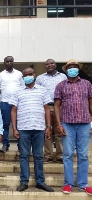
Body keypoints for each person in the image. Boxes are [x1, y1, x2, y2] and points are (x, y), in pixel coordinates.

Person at [10, 67, 54, 192]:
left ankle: (40, 181)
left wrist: (48, 127)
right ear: (23, 77)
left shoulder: (42, 90)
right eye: (25, 75)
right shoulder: (18, 91)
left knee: (39, 156)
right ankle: (24, 181)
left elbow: (47, 109)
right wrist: (14, 128)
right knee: (24, 156)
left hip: (39, 128)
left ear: (34, 75)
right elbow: (13, 110)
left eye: (30, 74)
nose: (28, 76)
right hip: (23, 129)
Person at [54, 59, 92, 195]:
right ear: (66, 70)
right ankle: (68, 183)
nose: (73, 68)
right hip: (67, 124)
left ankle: (83, 184)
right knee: (68, 154)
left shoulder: (87, 84)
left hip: (85, 123)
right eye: (70, 67)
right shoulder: (61, 85)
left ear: (78, 69)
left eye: (75, 66)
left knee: (83, 155)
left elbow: (91, 104)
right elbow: (57, 107)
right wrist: (59, 124)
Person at [36, 59, 67, 163]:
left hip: (60, 106)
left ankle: (60, 155)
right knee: (47, 131)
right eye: (47, 64)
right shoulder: (40, 78)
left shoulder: (63, 77)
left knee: (60, 131)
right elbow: (37, 92)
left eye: (51, 63)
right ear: (45, 66)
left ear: (55, 65)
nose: (49, 65)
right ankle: (48, 155)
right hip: (46, 107)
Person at [0, 56, 23, 153]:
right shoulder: (0, 75)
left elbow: (23, 87)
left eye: (11, 61)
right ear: (4, 63)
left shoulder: (19, 74)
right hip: (5, 103)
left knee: (19, 124)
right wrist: (2, 101)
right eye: (7, 61)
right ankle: (5, 145)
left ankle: (20, 145)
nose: (9, 63)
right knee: (5, 125)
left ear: (13, 62)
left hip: (17, 104)